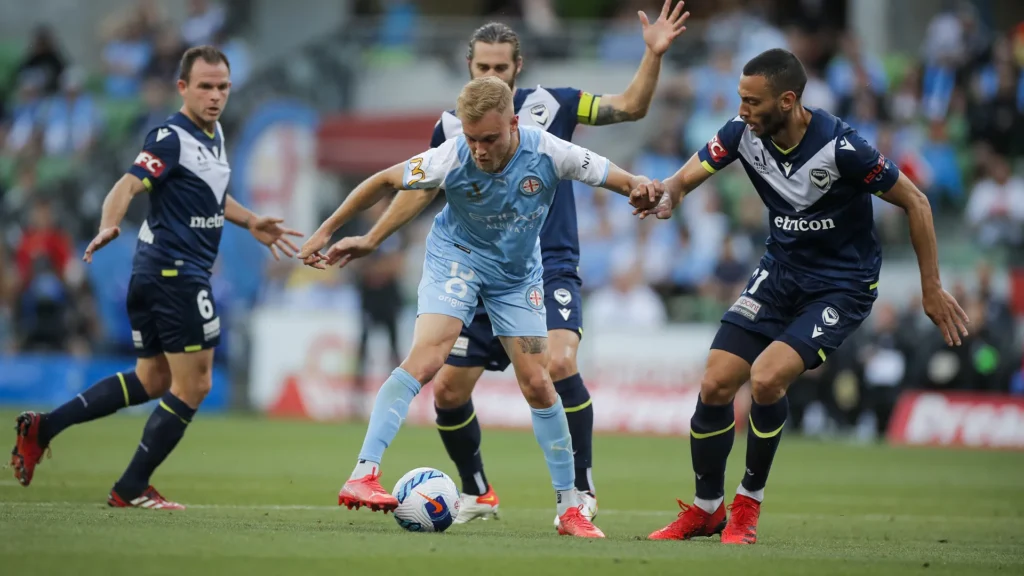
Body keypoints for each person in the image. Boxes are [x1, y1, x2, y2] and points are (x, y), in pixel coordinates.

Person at [630, 48, 969, 544]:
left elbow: (916, 201)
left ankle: (747, 505)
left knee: (766, 379)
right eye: (740, 99)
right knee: (716, 383)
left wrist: (932, 287)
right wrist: (665, 196)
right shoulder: (743, 134)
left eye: (752, 100)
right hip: (780, 272)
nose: (741, 110)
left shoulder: (843, 148)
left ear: (787, 101)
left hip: (841, 285)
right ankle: (707, 510)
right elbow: (683, 180)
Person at [298, 76, 656, 538]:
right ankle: (363, 474)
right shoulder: (452, 156)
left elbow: (615, 176)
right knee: (427, 358)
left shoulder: (548, 150)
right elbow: (384, 180)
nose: (480, 150)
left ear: (513, 123)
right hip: (457, 260)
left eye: (489, 138)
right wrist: (325, 231)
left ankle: (570, 508)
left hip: (516, 276)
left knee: (538, 383)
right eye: (472, 139)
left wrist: (641, 188)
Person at [428, 0, 689, 525]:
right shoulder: (451, 129)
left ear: (517, 68)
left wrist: (653, 55)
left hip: (548, 264)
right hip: (480, 274)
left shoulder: (554, 105)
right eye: (484, 68)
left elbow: (632, 107)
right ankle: (478, 492)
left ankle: (582, 491)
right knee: (447, 391)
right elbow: (426, 198)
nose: (493, 76)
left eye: (502, 67)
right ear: (470, 68)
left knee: (560, 363)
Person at [9, 46, 302, 509]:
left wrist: (252, 222)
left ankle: (44, 428)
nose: (215, 95)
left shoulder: (215, 134)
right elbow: (127, 186)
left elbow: (210, 194)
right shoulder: (170, 136)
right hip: (176, 273)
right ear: (183, 87)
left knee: (151, 379)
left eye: (222, 86)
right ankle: (131, 488)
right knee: (195, 384)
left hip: (154, 272)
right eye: (205, 86)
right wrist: (109, 222)